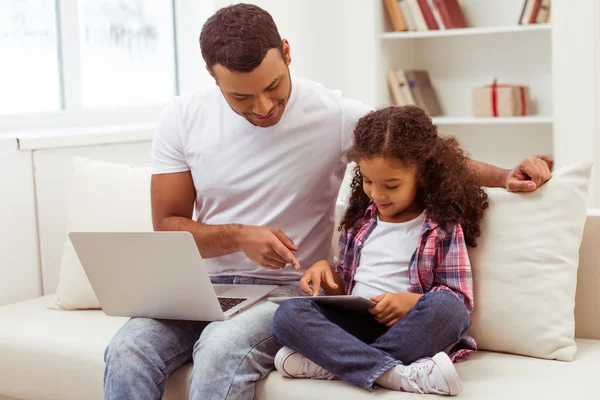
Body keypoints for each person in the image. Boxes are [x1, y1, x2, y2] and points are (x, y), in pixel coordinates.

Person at [103, 4, 551, 400]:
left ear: (287, 51)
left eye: (274, 85)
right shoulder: (181, 119)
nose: (263, 106)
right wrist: (239, 237)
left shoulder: (334, 115)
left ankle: (362, 365)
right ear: (213, 76)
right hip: (202, 289)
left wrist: (504, 175)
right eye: (241, 96)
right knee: (126, 349)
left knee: (220, 350)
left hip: (286, 292)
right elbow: (168, 224)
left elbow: (413, 152)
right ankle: (388, 371)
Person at [272, 105, 488, 396]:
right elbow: (345, 287)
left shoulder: (441, 226)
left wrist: (410, 302)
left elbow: (459, 301)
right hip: (355, 327)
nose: (377, 194)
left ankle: (339, 365)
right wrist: (327, 274)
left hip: (409, 329)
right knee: (287, 314)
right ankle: (395, 374)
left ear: (421, 175)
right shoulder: (360, 221)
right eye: (369, 181)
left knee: (449, 311)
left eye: (391, 185)